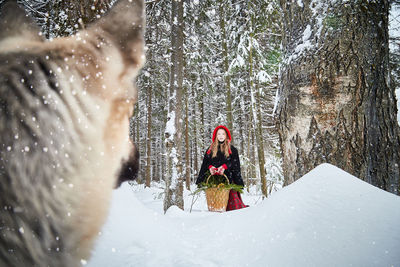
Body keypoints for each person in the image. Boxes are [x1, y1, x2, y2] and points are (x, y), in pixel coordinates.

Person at [196, 125, 247, 211]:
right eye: (219, 134)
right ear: (215, 136)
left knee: (233, 208)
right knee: (217, 206)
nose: (221, 136)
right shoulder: (210, 149)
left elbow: (235, 164)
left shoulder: (232, 150)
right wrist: (210, 167)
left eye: (223, 134)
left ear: (226, 135)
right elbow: (206, 163)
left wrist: (225, 166)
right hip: (214, 181)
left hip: (228, 179)